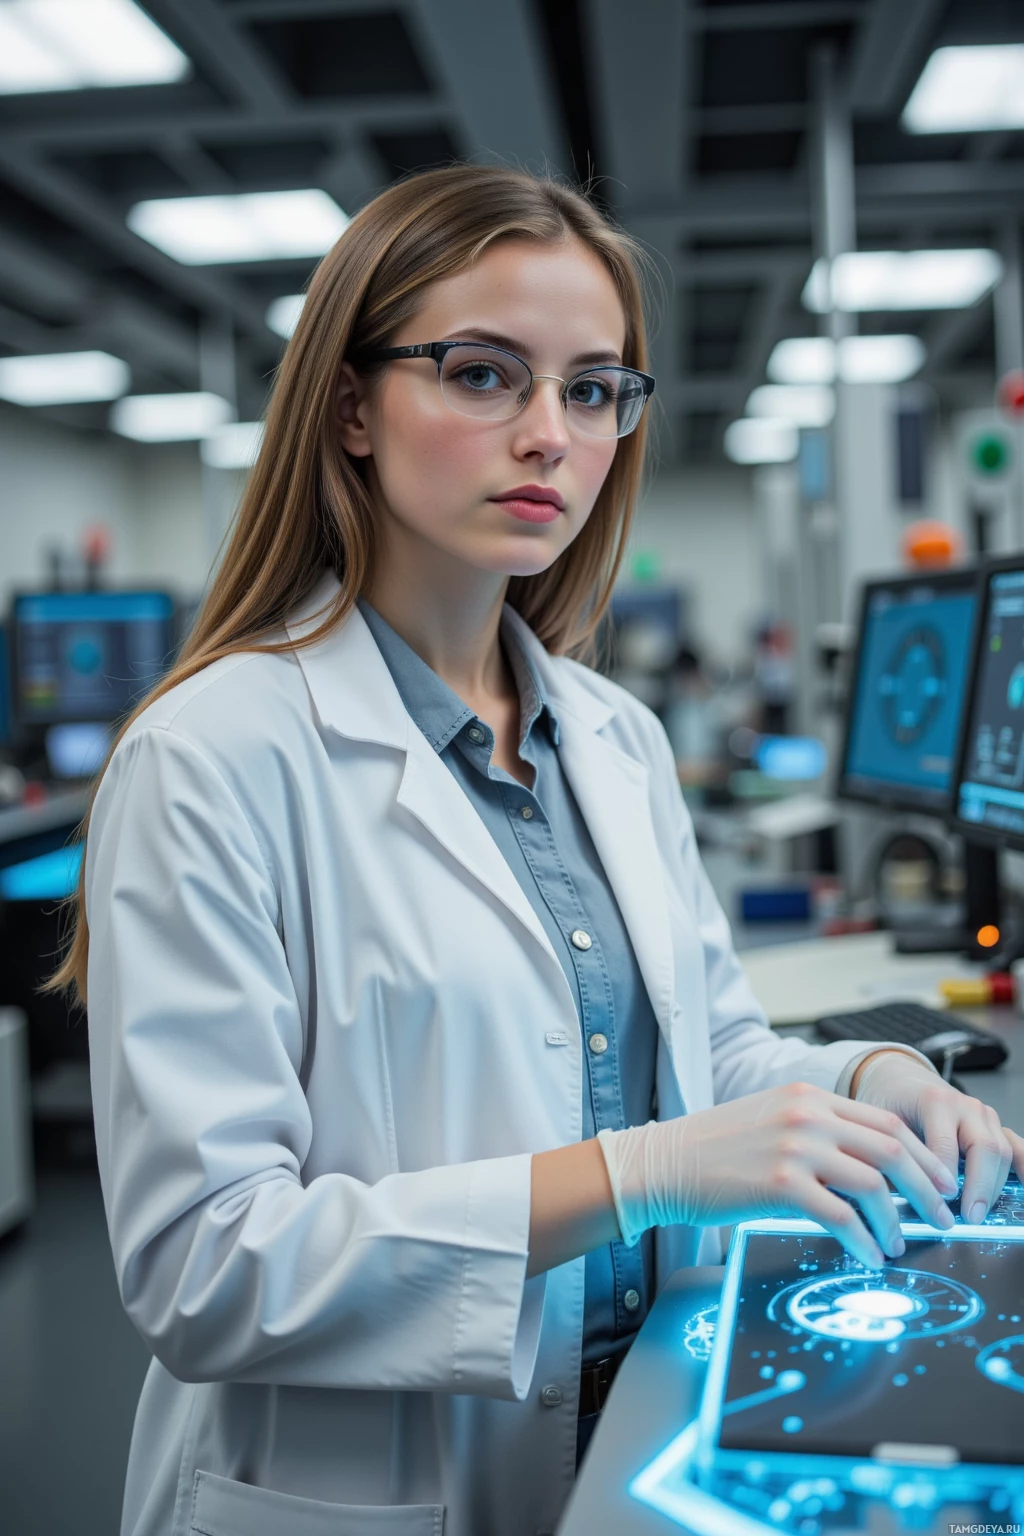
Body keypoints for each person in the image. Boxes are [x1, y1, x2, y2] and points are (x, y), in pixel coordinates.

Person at [49, 165, 1023, 1536]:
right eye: (483, 374)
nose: (550, 436)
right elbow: (205, 1268)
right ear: (350, 408)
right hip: (370, 1488)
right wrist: (638, 1177)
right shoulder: (211, 756)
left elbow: (713, 1061)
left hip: (631, 1437)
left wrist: (871, 1077)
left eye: (593, 389)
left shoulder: (609, 735)